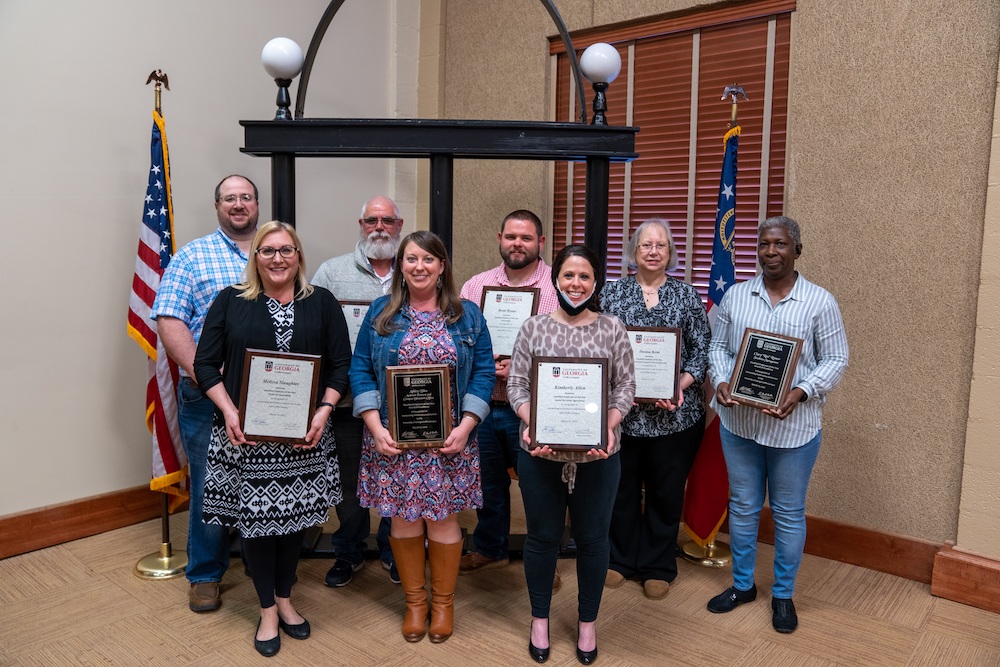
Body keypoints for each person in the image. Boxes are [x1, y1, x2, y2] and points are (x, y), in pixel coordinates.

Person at [194, 221, 352, 657]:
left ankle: (286, 597)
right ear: (255, 257)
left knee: (294, 524)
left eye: (286, 250)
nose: (277, 258)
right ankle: (267, 608)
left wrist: (324, 411)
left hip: (305, 436)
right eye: (268, 251)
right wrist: (229, 411)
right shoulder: (230, 301)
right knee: (258, 525)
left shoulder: (321, 303)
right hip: (246, 437)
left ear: (298, 255)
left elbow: (341, 364)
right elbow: (205, 365)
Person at [350, 230, 495, 644]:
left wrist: (467, 425)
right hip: (392, 441)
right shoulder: (381, 313)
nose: (419, 267)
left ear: (442, 266)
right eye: (411, 259)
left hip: (451, 441)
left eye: (428, 259)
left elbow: (483, 372)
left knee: (443, 520)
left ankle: (443, 603)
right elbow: (360, 368)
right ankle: (415, 603)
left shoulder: (468, 316)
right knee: (403, 519)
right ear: (400, 265)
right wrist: (375, 427)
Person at [705, 216, 848, 634]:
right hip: (739, 425)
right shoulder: (736, 296)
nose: (771, 252)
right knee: (744, 508)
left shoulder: (820, 302)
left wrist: (801, 390)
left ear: (796, 250)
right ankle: (743, 585)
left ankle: (783, 595)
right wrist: (722, 380)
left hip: (794, 431)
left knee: (787, 514)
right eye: (764, 244)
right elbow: (717, 347)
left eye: (780, 244)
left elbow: (836, 359)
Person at [507, 244, 636, 665]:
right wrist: (534, 424)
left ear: (595, 282)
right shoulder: (532, 328)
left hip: (599, 456)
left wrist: (608, 425)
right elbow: (517, 387)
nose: (575, 284)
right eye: (568, 275)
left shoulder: (613, 328)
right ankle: (540, 618)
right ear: (555, 280)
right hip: (540, 453)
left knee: (594, 540)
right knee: (542, 538)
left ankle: (587, 622)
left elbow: (625, 388)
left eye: (584, 276)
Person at [151, 174, 259, 613]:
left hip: (268, 392)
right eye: (229, 198)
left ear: (257, 204)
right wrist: (204, 376)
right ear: (217, 206)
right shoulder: (192, 256)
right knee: (210, 483)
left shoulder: (276, 250)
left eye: (246, 198)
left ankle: (261, 563)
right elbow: (170, 320)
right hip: (207, 392)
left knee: (264, 478)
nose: (238, 205)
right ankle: (205, 574)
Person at [599, 219, 710, 600]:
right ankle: (618, 559)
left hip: (675, 416)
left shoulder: (687, 296)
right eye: (645, 244)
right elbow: (598, 349)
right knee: (621, 490)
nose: (652, 251)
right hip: (622, 417)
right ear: (633, 251)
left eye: (660, 245)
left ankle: (657, 565)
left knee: (665, 493)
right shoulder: (611, 295)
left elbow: (702, 352)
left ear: (670, 253)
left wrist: (678, 385)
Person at [458, 210, 559, 577]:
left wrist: (520, 367)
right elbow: (457, 344)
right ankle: (490, 548)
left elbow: (569, 350)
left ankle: (545, 559)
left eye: (527, 238)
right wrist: (484, 362)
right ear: (500, 238)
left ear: (541, 243)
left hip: (533, 407)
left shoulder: (558, 287)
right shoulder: (474, 287)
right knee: (487, 483)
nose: (518, 244)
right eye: (511, 236)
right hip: (484, 404)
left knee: (540, 487)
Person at [312, 195, 404, 587]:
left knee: (397, 474)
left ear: (399, 225)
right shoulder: (331, 273)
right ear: (361, 224)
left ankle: (393, 547)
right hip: (347, 398)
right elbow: (310, 325)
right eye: (371, 220)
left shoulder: (415, 269)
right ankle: (348, 549)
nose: (379, 227)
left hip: (403, 399)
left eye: (387, 220)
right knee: (348, 479)